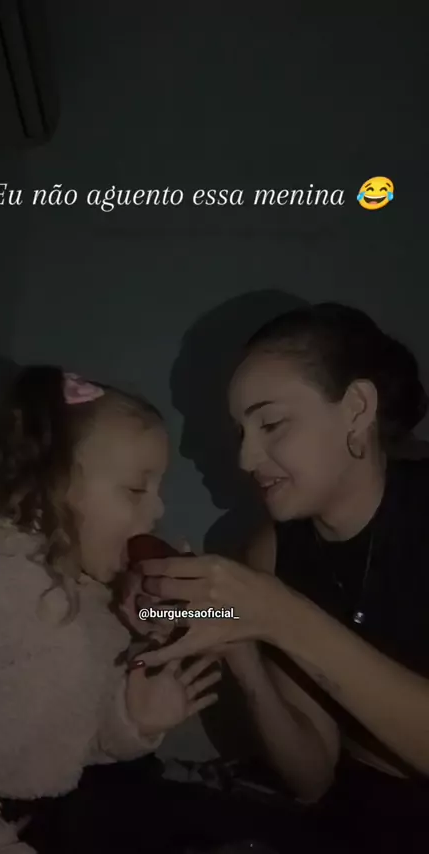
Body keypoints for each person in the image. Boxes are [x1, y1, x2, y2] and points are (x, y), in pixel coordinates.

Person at [130, 303, 429, 852]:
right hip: (363, 813)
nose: (246, 458)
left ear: (357, 409)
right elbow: (311, 777)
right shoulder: (270, 550)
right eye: (241, 432)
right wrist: (242, 647)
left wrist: (281, 615)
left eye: (270, 424)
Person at [0, 366, 220, 854]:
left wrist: (133, 718)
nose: (159, 510)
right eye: (136, 489)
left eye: (159, 490)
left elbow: (72, 740)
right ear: (54, 482)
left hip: (58, 814)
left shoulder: (93, 592)